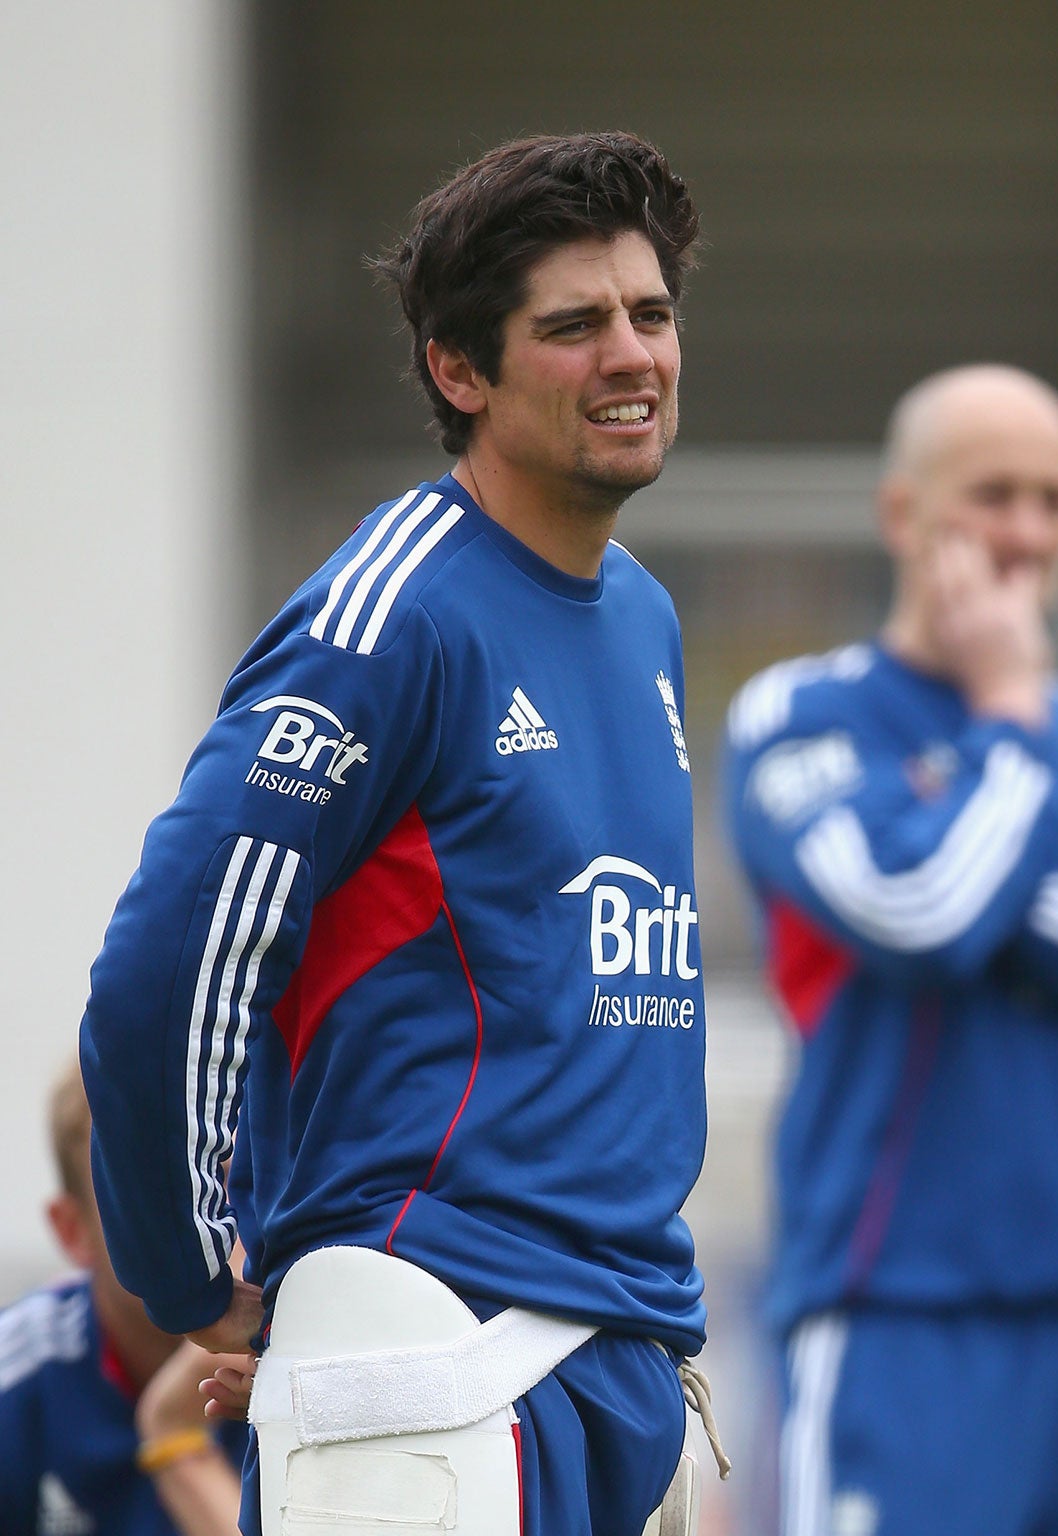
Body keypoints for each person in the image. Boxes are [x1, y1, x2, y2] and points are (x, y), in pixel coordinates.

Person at [78, 132, 719, 1535]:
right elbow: (166, 970)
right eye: (574, 326)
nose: (633, 354)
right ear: (458, 368)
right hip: (426, 1364)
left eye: (651, 313)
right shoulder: (387, 620)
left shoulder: (647, 619)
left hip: (626, 1362)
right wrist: (203, 1280)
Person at [722, 364, 1058, 1536]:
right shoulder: (804, 717)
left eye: (1053, 500)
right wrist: (1009, 709)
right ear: (903, 514)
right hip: (899, 1308)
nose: (1026, 531)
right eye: (990, 495)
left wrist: (1035, 926)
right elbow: (920, 916)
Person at [0, 1065, 249, 1536]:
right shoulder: (16, 1382)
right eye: (158, 1204)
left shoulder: (314, 1364)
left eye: (231, 1191)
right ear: (74, 1231)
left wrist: (178, 1441)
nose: (213, 1232)